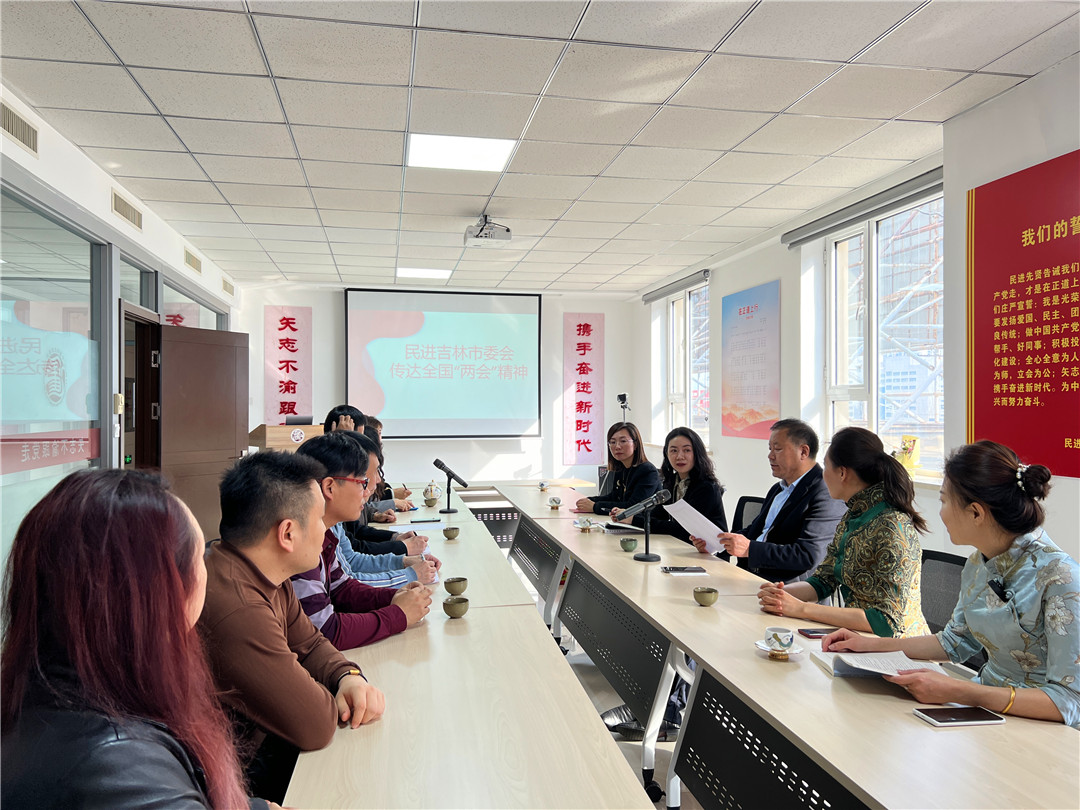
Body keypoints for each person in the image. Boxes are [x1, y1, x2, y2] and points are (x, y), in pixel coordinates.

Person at [2, 469, 270, 809]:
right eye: (200, 557)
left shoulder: (42, 698)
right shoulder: (120, 768)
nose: (206, 570)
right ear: (158, 594)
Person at [823, 441, 1080, 727]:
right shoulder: (977, 564)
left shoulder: (1061, 578)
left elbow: (1069, 700)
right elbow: (954, 641)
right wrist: (870, 646)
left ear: (976, 513)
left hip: (1044, 729)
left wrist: (961, 691)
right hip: (986, 713)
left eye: (944, 501)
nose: (940, 512)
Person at [199, 451, 386, 802]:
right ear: (287, 533)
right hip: (234, 783)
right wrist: (335, 694)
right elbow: (315, 724)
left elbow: (311, 644)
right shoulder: (237, 606)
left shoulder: (263, 570)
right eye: (318, 520)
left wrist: (348, 677)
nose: (324, 531)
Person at [758, 427, 930, 638]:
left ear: (842, 473)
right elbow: (824, 581)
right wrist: (779, 593)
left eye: (825, 466)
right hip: (858, 639)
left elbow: (887, 622)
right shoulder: (854, 515)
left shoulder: (891, 526)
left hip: (899, 648)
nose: (822, 474)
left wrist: (801, 609)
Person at [292, 432, 432, 649]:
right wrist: (398, 614)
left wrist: (396, 597)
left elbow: (342, 589)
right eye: (362, 482)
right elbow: (326, 630)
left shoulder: (325, 535)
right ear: (329, 488)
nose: (367, 491)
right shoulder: (299, 543)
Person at [698, 419, 845, 583]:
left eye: (778, 449)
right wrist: (716, 543)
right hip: (749, 576)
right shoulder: (778, 489)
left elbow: (808, 555)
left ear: (803, 452)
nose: (770, 456)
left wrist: (750, 549)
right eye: (770, 449)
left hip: (788, 587)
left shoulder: (825, 493)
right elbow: (756, 532)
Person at [612, 426, 728, 539]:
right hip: (681, 546)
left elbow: (683, 530)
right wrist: (628, 514)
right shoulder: (672, 482)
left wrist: (634, 520)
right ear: (667, 454)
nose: (679, 456)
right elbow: (657, 515)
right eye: (674, 450)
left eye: (687, 450)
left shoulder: (706, 487)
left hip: (709, 551)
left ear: (697, 453)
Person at [575, 422, 661, 516]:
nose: (617, 446)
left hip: (644, 523)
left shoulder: (648, 471)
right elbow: (614, 497)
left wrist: (595, 507)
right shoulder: (621, 468)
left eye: (623, 441)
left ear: (635, 444)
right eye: (613, 442)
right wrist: (589, 500)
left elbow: (634, 507)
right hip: (623, 522)